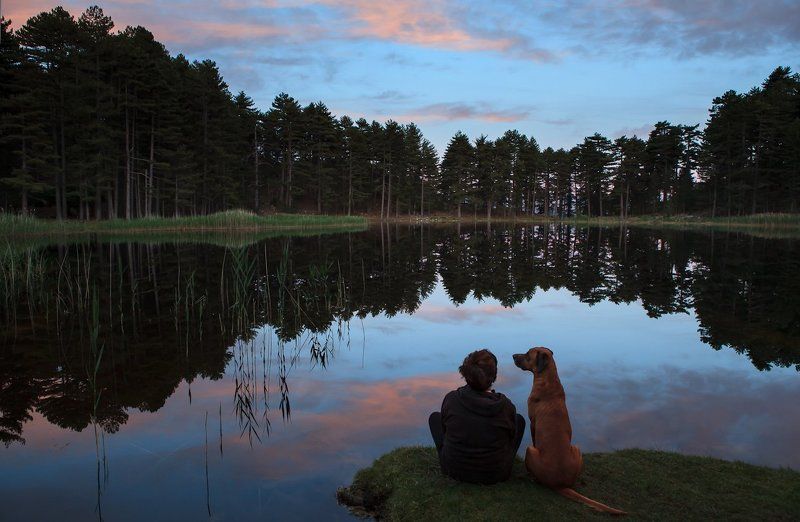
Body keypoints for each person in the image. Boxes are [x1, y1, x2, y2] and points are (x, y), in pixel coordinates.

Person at [428, 349, 526, 484]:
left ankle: (456, 453)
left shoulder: (451, 399)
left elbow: (444, 429)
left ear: (466, 373)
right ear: (494, 376)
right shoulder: (506, 406)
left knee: (435, 418)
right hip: (496, 474)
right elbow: (510, 436)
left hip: (454, 470)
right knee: (519, 420)